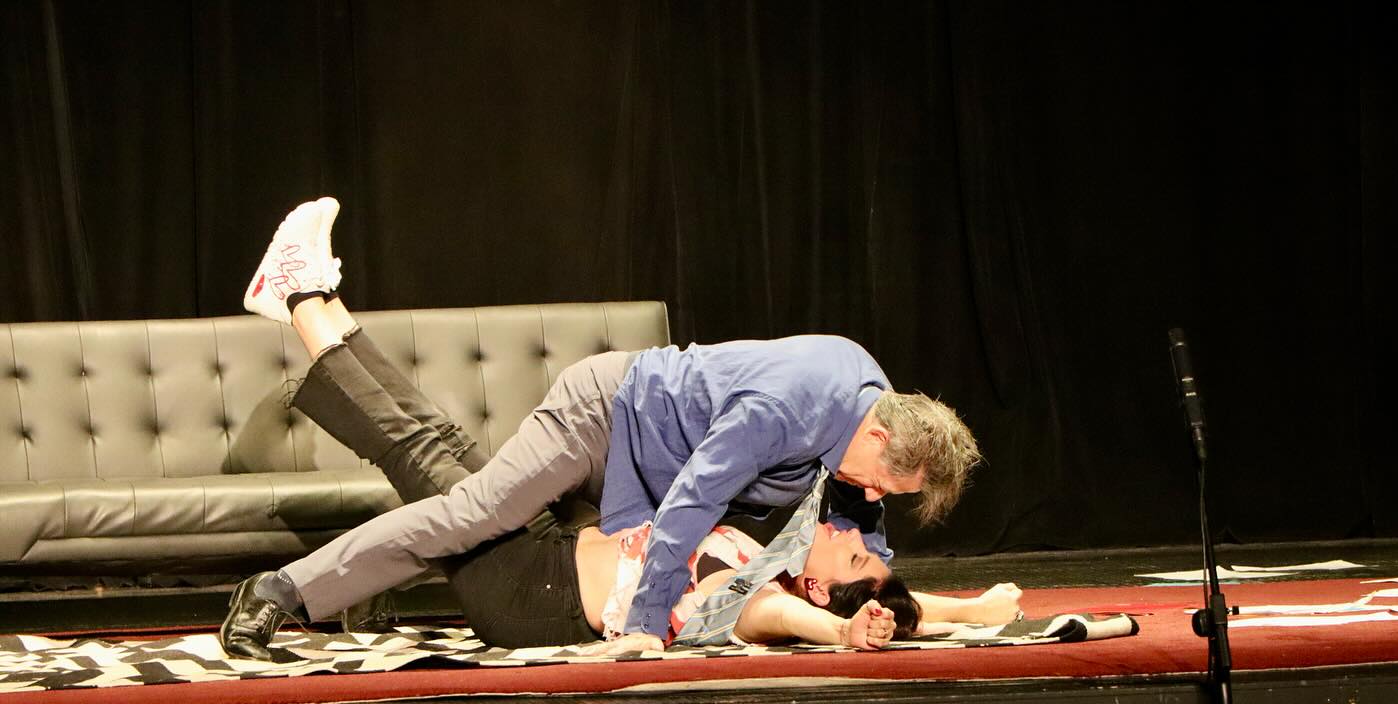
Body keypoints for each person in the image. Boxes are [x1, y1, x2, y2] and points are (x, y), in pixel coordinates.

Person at [225, 197, 986, 653]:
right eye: (879, 482)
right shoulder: (785, 411)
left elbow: (856, 533)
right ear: (878, 435)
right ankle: (282, 590)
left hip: (636, 473)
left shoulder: (873, 402)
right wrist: (647, 624)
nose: (867, 502)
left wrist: (936, 599)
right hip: (605, 417)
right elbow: (692, 501)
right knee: (470, 512)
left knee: (442, 454)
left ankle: (312, 297)